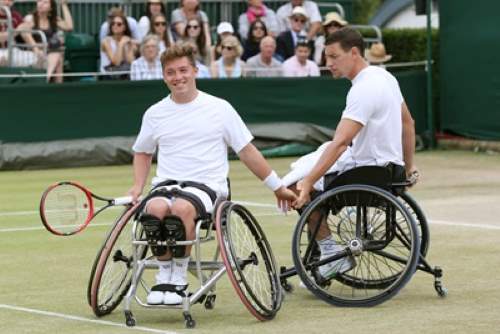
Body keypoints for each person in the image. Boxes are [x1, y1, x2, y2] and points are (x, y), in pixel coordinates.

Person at [127, 42, 296, 305]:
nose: (178, 77)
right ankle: (164, 274)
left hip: (208, 186)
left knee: (182, 210)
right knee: (154, 210)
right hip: (166, 185)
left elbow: (247, 151)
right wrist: (137, 188)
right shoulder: (155, 113)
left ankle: (179, 278)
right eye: (171, 72)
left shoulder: (220, 108)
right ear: (164, 77)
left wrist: (276, 186)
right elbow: (142, 152)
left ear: (195, 71)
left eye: (183, 70)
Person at [286, 28, 418, 279]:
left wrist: (308, 182)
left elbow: (341, 142)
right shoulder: (386, 77)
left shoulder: (362, 89)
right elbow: (408, 123)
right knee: (310, 170)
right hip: (389, 168)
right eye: (326, 57)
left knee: (294, 185)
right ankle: (324, 254)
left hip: (367, 171)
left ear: (354, 53)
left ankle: (329, 254)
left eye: (334, 56)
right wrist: (407, 168)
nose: (329, 63)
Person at [16, 0, 73, 83]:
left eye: (45, 2)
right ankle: (52, 84)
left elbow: (69, 26)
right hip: (34, 52)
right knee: (58, 57)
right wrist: (36, 48)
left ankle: (47, 79)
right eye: (39, 1)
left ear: (50, 7)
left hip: (49, 51)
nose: (41, 4)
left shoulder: (52, 20)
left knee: (58, 57)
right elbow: (24, 33)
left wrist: (64, 5)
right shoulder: (31, 18)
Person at [100, 9, 136, 78]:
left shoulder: (127, 40)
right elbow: (116, 62)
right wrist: (121, 44)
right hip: (108, 76)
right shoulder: (106, 41)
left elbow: (131, 62)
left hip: (125, 76)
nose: (115, 26)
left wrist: (129, 45)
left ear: (124, 27)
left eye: (119, 24)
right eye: (113, 23)